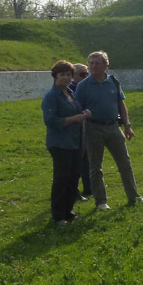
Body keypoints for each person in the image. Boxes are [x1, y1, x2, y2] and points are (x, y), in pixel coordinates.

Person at [75, 51, 143, 210]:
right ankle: (101, 202)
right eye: (91, 63)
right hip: (93, 127)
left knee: (125, 164)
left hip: (114, 127)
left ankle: (134, 196)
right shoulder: (82, 86)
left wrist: (127, 125)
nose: (93, 66)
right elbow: (76, 108)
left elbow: (121, 104)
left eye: (97, 63)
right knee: (95, 166)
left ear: (106, 65)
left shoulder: (113, 82)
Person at [42, 60, 91, 225]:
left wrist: (84, 113)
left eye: (68, 75)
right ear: (55, 76)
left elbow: (76, 110)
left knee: (73, 177)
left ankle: (68, 211)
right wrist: (74, 119)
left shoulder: (70, 93)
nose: (65, 78)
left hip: (76, 142)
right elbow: (51, 121)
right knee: (62, 179)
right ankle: (58, 216)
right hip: (60, 143)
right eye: (62, 75)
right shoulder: (51, 96)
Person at [70, 63, 92, 200]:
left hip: (88, 126)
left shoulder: (85, 88)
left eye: (86, 74)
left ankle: (89, 187)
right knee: (77, 160)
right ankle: (74, 191)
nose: (85, 77)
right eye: (82, 74)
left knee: (87, 159)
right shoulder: (71, 90)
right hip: (77, 128)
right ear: (74, 76)